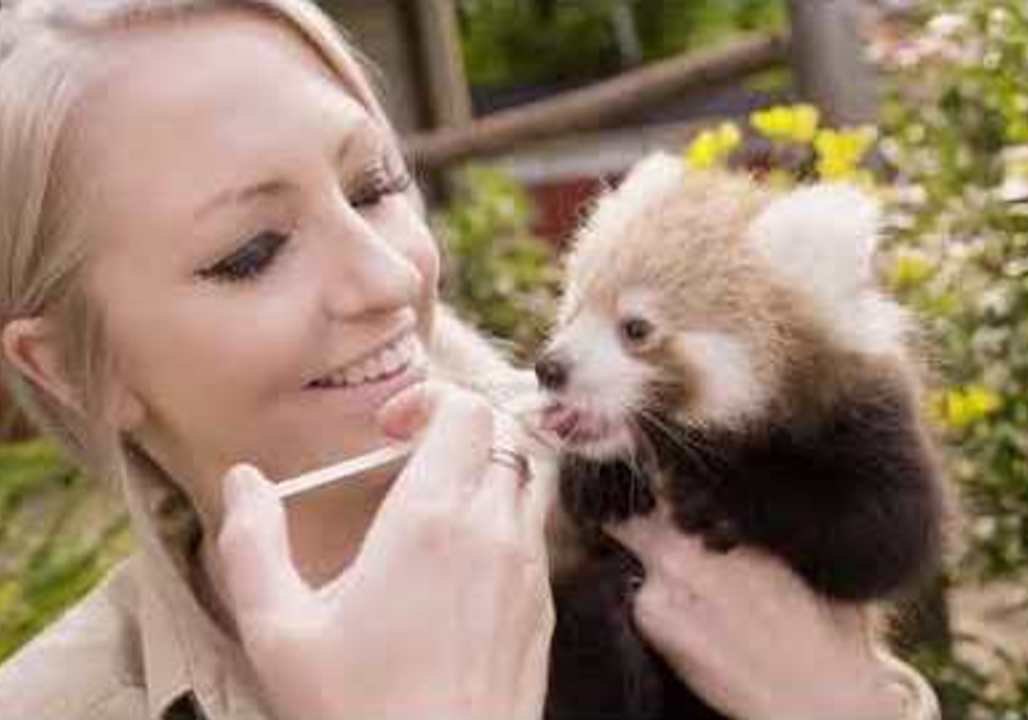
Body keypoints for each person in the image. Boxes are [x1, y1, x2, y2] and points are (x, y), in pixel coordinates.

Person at [0, 1, 939, 718]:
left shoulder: (681, 484)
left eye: (375, 185)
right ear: (76, 370)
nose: (387, 273)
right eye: (250, 253)